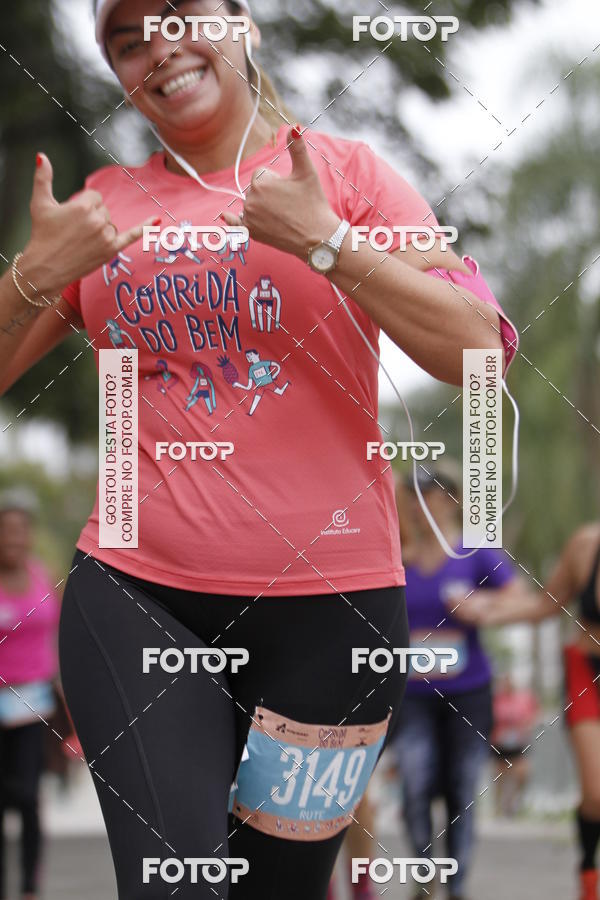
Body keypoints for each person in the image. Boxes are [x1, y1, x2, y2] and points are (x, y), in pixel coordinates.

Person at [0, 1, 517, 896]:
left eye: (179, 16)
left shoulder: (348, 176)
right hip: (136, 594)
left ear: (244, 28)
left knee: (277, 890)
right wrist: (31, 278)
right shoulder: (104, 209)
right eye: (128, 41)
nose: (158, 51)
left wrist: (331, 246)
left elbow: (478, 350)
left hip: (335, 621)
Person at [390, 465, 534, 900]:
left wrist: (480, 603)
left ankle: (457, 883)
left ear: (451, 499)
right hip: (412, 693)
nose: (420, 503)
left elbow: (519, 595)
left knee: (461, 785)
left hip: (468, 692)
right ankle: (424, 873)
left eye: (430, 493)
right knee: (414, 782)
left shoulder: (475, 551)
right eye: (413, 495)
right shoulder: (398, 553)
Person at [458, 522, 600, 900]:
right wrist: (485, 610)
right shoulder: (586, 545)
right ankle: (588, 872)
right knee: (596, 792)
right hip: (587, 668)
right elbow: (543, 606)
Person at [0, 490, 60, 900]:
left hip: (34, 702)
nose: (14, 538)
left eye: (21, 531)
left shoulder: (43, 574)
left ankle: (29, 888)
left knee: (28, 797)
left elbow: (53, 634)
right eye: (6, 531)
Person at [491, 673, 539, 817]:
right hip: (499, 743)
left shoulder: (524, 699)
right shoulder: (496, 700)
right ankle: (500, 805)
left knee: (522, 773)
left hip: (518, 741)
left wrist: (526, 726)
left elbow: (533, 715)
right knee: (500, 774)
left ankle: (513, 802)